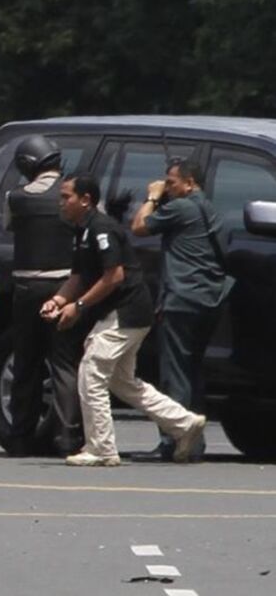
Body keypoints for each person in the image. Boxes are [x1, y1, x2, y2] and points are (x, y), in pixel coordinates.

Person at [45, 174, 206, 467]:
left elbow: (114, 276)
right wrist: (58, 301)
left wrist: (78, 306)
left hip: (126, 311)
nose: (61, 203)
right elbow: (78, 277)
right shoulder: (83, 231)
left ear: (86, 200)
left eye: (66, 197)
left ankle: (101, 447)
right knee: (122, 381)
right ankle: (184, 423)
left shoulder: (102, 228)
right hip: (123, 314)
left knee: (92, 370)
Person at [128, 158, 230, 462]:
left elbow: (139, 226)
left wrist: (152, 197)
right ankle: (194, 442)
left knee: (174, 374)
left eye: (172, 182)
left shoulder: (181, 207)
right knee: (192, 370)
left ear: (190, 183)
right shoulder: (209, 209)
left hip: (181, 298)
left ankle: (174, 440)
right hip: (209, 298)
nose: (167, 187)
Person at [2, 135, 85, 456]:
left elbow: (9, 227)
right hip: (64, 286)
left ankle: (20, 437)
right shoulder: (72, 196)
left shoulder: (15, 197)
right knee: (64, 363)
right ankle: (68, 437)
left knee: (26, 362)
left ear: (26, 164)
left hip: (26, 287)